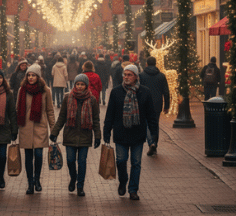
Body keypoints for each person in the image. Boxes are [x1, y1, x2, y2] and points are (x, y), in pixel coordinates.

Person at [103, 64, 159, 201]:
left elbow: (151, 115)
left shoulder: (144, 92)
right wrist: (106, 131)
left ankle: (133, 189)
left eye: (129, 75)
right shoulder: (116, 92)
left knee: (136, 163)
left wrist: (154, 133)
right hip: (121, 133)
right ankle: (123, 181)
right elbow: (110, 114)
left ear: (136, 77)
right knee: (121, 161)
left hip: (138, 133)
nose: (126, 77)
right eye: (125, 74)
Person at [50, 74, 101, 197]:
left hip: (85, 136)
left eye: (82, 84)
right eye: (78, 84)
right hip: (70, 135)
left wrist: (98, 136)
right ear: (74, 85)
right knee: (70, 160)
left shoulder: (92, 99)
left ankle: (80, 186)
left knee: (82, 162)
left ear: (86, 86)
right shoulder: (67, 98)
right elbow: (62, 117)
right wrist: (54, 132)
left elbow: (96, 119)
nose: (79, 86)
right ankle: (73, 178)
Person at [16, 64, 56, 194]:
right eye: (29, 75)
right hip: (25, 128)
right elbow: (17, 109)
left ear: (38, 76)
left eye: (33, 75)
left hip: (40, 127)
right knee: (28, 157)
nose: (31, 77)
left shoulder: (45, 90)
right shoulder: (22, 90)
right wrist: (14, 128)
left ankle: (37, 179)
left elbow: (50, 111)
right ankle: (30, 183)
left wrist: (53, 129)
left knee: (38, 155)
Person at [139, 57, 170, 156]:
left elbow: (138, 90)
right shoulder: (161, 76)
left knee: (146, 124)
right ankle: (154, 144)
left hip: (144, 103)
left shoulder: (141, 75)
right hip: (157, 103)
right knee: (155, 124)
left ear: (146, 64)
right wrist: (166, 105)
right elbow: (166, 91)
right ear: (156, 64)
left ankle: (151, 143)